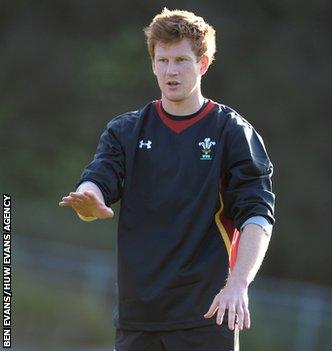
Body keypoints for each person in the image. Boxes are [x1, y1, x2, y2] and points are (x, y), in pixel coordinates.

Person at [59, 8, 275, 351]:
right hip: (137, 318)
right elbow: (99, 177)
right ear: (153, 63)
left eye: (181, 60)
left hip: (207, 315)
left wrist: (238, 284)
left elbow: (258, 216)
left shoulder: (232, 133)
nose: (170, 71)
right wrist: (89, 197)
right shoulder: (126, 131)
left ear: (203, 64)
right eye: (162, 60)